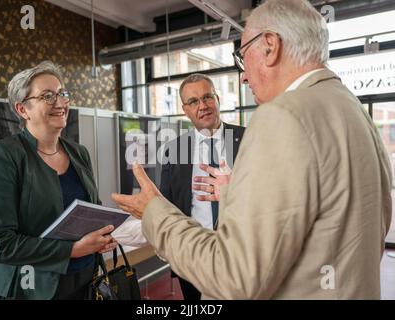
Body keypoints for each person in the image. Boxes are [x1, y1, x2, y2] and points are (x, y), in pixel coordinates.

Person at [112, 0, 392, 299]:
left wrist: (154, 212)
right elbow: (337, 216)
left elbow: (235, 277)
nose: (243, 76)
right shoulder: (351, 107)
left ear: (270, 46)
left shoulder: (282, 115)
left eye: (243, 56)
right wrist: (237, 195)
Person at [0, 61, 118, 299]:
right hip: (26, 288)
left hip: (83, 281)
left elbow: (90, 210)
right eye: (47, 96)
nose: (60, 102)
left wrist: (102, 235)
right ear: (22, 110)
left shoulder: (78, 152)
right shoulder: (1, 155)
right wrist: (72, 250)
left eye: (62, 93)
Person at [160, 73, 245, 300]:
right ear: (185, 109)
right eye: (194, 101)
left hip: (242, 255)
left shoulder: (248, 139)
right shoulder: (175, 150)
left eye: (207, 97)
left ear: (217, 99)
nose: (203, 106)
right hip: (194, 256)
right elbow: (166, 205)